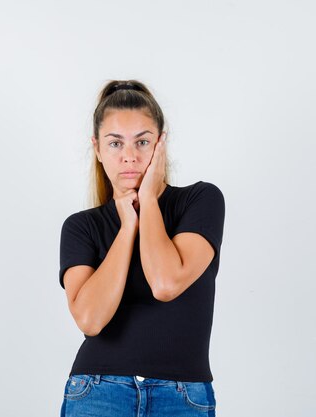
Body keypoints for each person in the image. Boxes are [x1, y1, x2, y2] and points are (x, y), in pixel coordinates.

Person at [58, 80, 225, 417]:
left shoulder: (201, 200)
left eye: (143, 141)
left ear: (161, 144)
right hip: (97, 390)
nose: (130, 156)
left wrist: (147, 199)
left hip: (182, 397)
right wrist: (127, 228)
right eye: (115, 143)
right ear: (98, 148)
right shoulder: (81, 226)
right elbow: (90, 320)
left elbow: (166, 283)